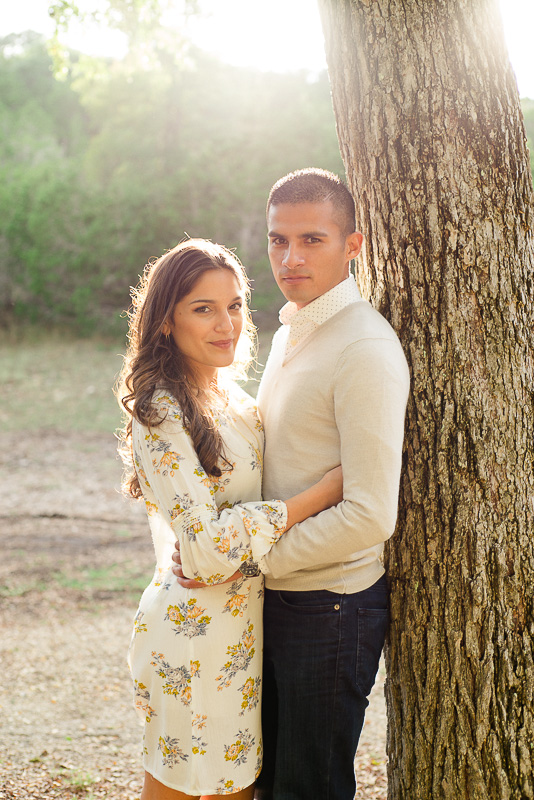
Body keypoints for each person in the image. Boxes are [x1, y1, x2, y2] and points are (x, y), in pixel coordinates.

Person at [176, 169, 410, 799]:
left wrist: (250, 561)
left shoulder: (364, 348)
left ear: (353, 245)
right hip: (276, 599)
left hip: (331, 607)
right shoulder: (290, 331)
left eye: (312, 239)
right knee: (269, 785)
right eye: (279, 240)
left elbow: (368, 515)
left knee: (309, 789)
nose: (290, 257)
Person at [116, 238, 343, 800]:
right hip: (190, 636)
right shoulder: (160, 410)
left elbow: (221, 534)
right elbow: (205, 552)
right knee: (184, 789)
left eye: (236, 305)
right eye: (204, 308)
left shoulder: (236, 401)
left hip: (242, 631)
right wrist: (319, 496)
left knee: (238, 788)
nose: (227, 324)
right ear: (166, 320)